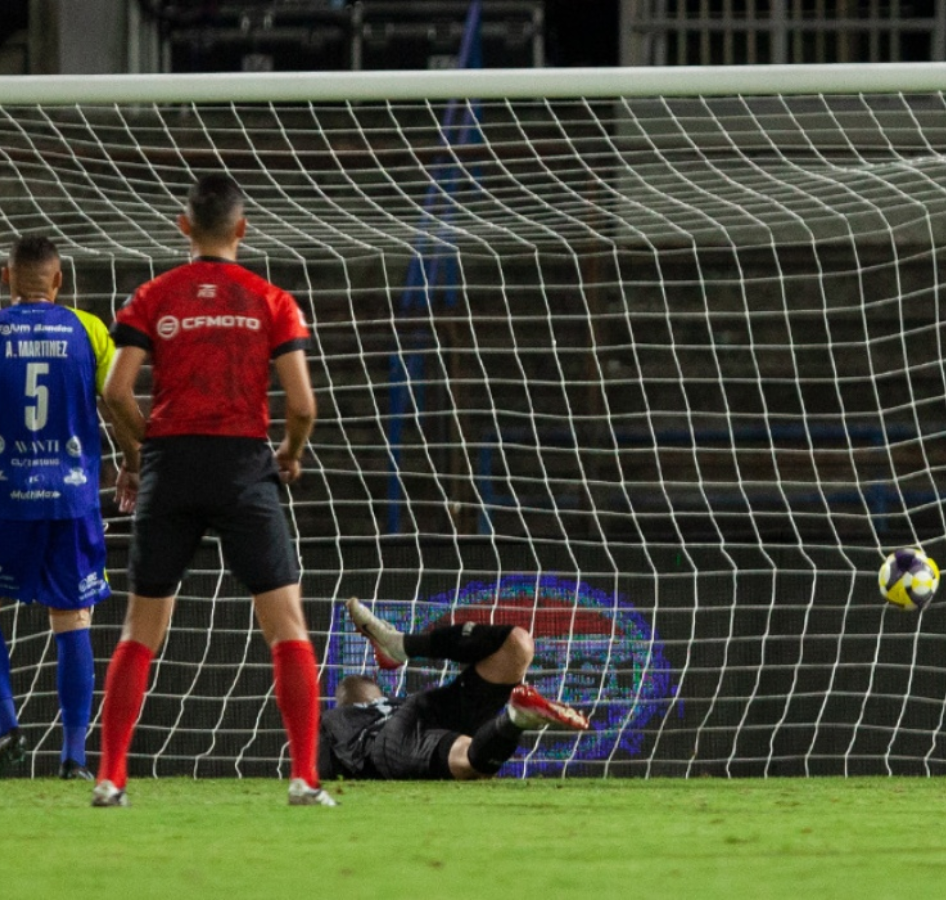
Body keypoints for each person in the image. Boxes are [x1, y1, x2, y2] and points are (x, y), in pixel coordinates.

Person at [93, 173, 334, 807]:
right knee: (286, 625)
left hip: (171, 466)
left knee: (139, 629)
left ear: (183, 226)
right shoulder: (270, 299)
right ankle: (305, 778)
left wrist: (147, 450)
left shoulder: (153, 294)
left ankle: (110, 778)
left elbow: (115, 392)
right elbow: (302, 404)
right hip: (242, 467)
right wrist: (291, 451)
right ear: (242, 229)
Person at [0, 235, 129, 780]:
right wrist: (135, 459)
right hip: (72, 497)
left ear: (8, 279)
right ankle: (74, 757)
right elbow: (118, 397)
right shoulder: (89, 329)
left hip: (6, 495)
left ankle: (7, 729)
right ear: (58, 282)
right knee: (72, 618)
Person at [320, 597, 589, 781]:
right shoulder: (396, 703)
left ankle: (515, 720)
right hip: (426, 709)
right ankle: (404, 645)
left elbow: (318, 768)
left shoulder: (336, 720)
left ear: (346, 702)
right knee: (516, 646)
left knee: (469, 762)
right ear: (378, 695)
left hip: (389, 743)